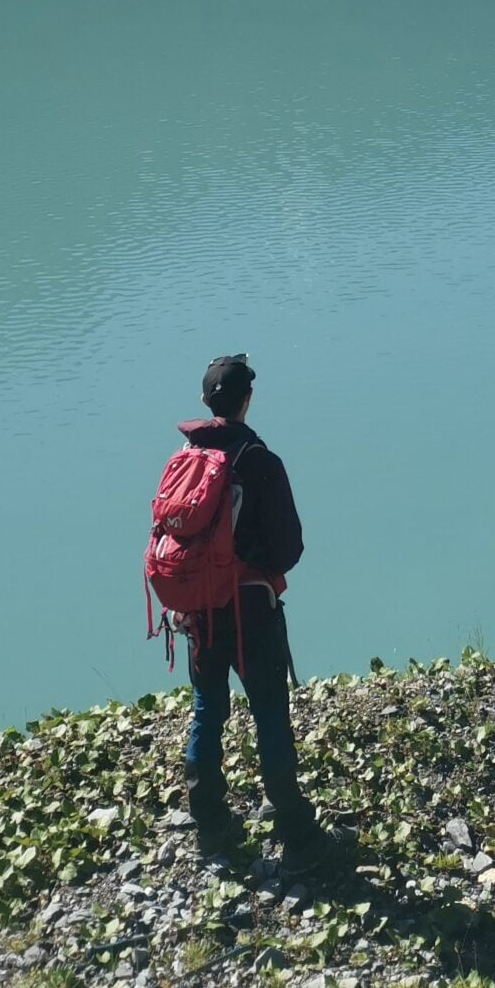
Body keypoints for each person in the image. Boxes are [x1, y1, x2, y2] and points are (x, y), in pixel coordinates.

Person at [175, 351, 337, 865]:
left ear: (204, 401)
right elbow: (289, 547)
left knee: (207, 708)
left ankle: (210, 823)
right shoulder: (261, 461)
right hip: (250, 610)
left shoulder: (183, 461)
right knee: (269, 712)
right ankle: (292, 825)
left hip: (197, 608)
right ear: (247, 400)